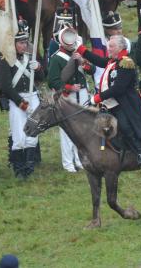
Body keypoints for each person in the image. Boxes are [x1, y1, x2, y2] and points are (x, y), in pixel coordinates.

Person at [77, 35, 141, 167]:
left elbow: (118, 89)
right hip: (112, 101)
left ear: (121, 47)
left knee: (125, 126)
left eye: (111, 46)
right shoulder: (113, 61)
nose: (108, 49)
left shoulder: (126, 63)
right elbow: (97, 60)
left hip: (125, 103)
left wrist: (97, 97)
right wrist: (80, 49)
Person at [0, 19, 44, 179]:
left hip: (33, 96)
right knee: (18, 134)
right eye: (21, 42)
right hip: (17, 100)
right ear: (13, 44)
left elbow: (41, 78)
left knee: (33, 132)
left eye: (25, 42)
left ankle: (29, 166)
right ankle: (19, 168)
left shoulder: (29, 57)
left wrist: (38, 68)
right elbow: (6, 86)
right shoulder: (5, 61)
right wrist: (21, 103)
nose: (24, 45)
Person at [48, 27, 95, 172]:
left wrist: (83, 62)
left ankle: (80, 159)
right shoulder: (56, 58)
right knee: (68, 130)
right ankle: (68, 163)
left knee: (82, 129)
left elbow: (92, 70)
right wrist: (68, 87)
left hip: (82, 94)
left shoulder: (79, 54)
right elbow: (53, 81)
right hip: (68, 96)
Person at [93, 11, 131, 90]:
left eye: (120, 27)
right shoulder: (102, 45)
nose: (119, 31)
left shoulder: (126, 41)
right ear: (107, 30)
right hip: (104, 80)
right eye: (115, 29)